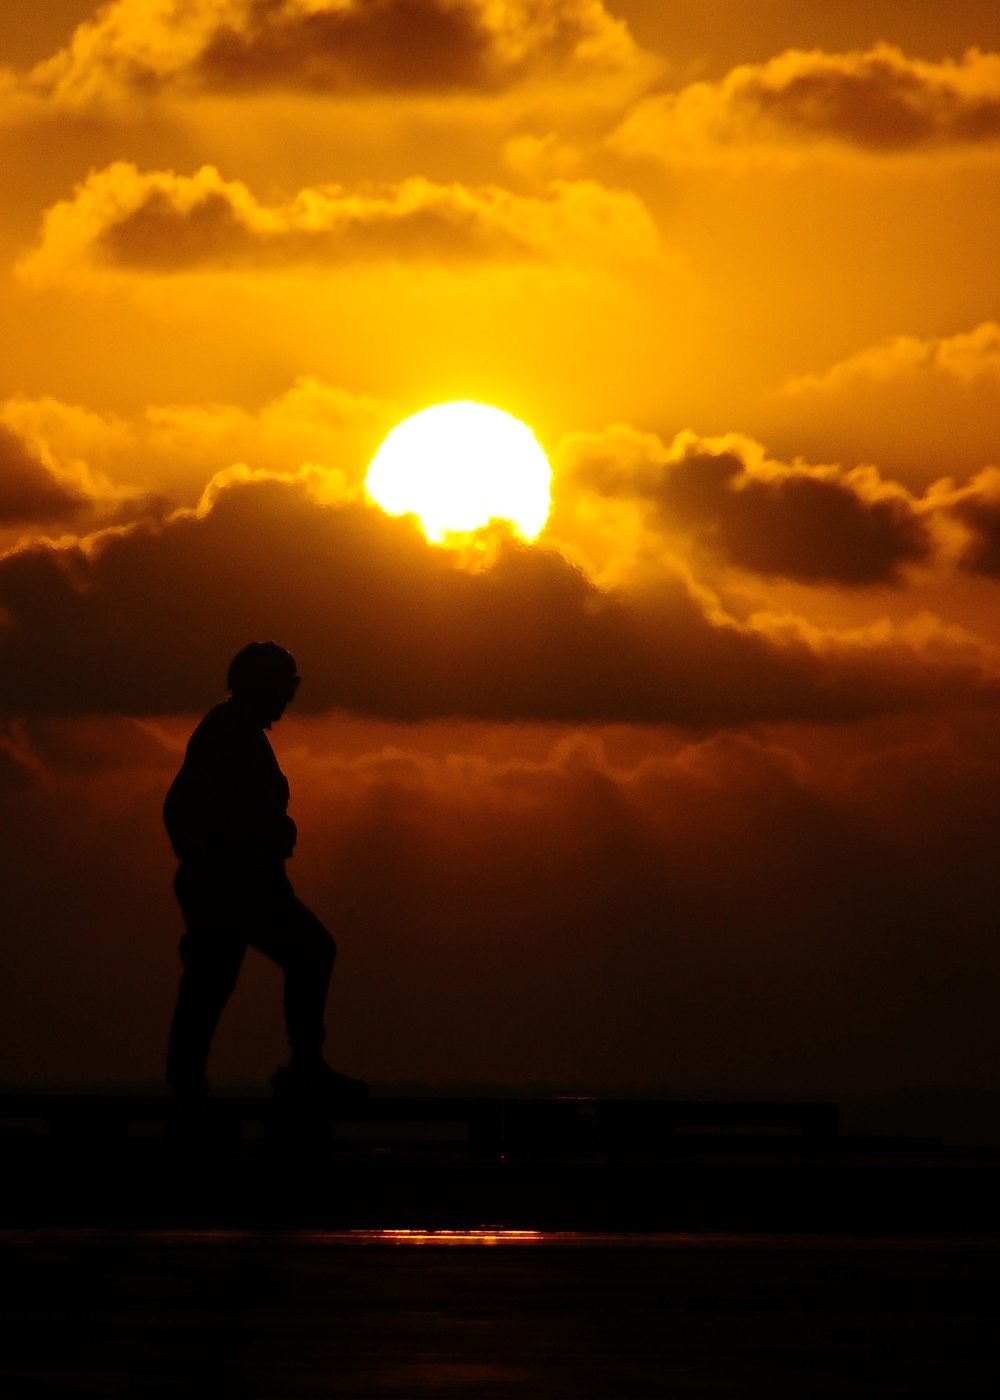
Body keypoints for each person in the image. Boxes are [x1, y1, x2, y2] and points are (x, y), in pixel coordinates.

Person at [164, 641, 365, 1100]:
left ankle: (197, 1081)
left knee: (218, 978)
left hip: (245, 880)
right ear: (260, 686)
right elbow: (183, 810)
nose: (289, 699)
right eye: (284, 687)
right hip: (231, 883)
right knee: (238, 972)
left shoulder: (238, 732)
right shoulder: (226, 733)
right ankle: (290, 1069)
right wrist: (243, 845)